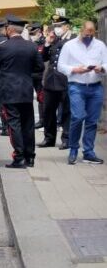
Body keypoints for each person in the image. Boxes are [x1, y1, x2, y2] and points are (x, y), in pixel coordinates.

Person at [0, 16, 44, 168]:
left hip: (9, 91)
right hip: (26, 90)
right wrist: (26, 75)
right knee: (28, 124)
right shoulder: (31, 46)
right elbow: (40, 68)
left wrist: (4, 71)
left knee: (14, 125)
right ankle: (30, 157)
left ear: (9, 29)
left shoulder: (4, 47)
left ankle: (19, 157)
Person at [58, 21, 107, 165]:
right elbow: (60, 65)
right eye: (87, 32)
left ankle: (89, 152)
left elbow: (106, 63)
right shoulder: (69, 45)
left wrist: (101, 68)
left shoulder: (100, 45)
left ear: (95, 32)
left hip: (95, 87)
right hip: (77, 86)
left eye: (92, 32)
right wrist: (74, 70)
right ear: (81, 30)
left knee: (92, 121)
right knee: (78, 117)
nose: (89, 35)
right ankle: (73, 148)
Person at [39, 16, 74, 149]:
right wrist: (47, 44)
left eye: (59, 25)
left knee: (66, 111)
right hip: (51, 80)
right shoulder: (54, 40)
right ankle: (49, 138)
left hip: (65, 80)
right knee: (48, 110)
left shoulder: (73, 39)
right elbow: (43, 58)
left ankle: (67, 138)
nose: (56, 28)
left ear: (67, 26)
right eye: (55, 26)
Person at [28, 23, 46, 129]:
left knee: (42, 98)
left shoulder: (44, 43)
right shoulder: (31, 43)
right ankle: (41, 120)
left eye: (33, 33)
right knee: (38, 99)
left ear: (39, 31)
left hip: (41, 76)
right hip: (32, 75)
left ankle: (44, 120)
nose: (32, 35)